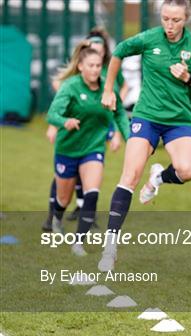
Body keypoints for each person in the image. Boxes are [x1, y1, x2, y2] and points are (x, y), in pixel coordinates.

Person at [98, 0, 191, 272]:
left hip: (179, 120)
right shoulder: (149, 38)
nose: (170, 25)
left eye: (175, 20)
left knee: (187, 171)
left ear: (186, 19)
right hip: (147, 116)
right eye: (165, 19)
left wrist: (189, 78)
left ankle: (159, 178)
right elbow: (118, 52)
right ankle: (110, 246)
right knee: (129, 176)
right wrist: (108, 89)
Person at [42, 27, 128, 231]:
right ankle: (55, 218)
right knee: (63, 197)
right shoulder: (70, 86)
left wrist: (130, 137)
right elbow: (52, 114)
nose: (96, 69)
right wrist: (64, 122)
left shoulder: (109, 87)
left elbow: (120, 114)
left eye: (98, 65)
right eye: (91, 65)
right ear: (80, 66)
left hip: (94, 148)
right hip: (68, 148)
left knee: (92, 192)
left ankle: (78, 242)